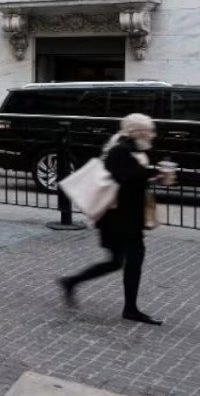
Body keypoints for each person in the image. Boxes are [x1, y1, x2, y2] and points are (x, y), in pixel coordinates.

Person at [58, 113, 174, 326]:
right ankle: (130, 309)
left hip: (124, 217)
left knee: (117, 262)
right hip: (119, 219)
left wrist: (153, 176)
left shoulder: (132, 149)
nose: (152, 135)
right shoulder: (121, 150)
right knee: (131, 259)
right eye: (149, 130)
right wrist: (154, 174)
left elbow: (133, 176)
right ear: (136, 131)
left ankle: (72, 282)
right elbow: (126, 177)